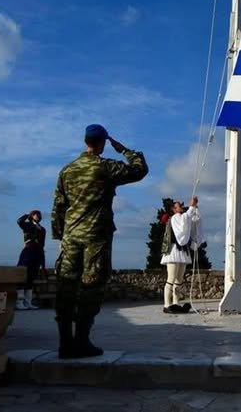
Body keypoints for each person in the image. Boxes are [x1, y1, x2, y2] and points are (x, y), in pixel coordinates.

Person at [51, 124, 148, 359]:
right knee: (91, 287)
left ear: (85, 141)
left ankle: (65, 343)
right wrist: (124, 150)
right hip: (96, 236)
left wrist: (60, 236)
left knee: (66, 288)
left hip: (71, 236)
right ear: (103, 142)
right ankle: (82, 341)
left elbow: (58, 207)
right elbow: (139, 170)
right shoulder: (104, 167)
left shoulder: (67, 170)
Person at [161, 196, 203, 314]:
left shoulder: (183, 217)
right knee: (171, 278)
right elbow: (184, 221)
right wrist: (191, 207)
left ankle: (175, 303)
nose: (182, 207)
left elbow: (193, 220)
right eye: (179, 205)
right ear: (174, 209)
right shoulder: (175, 218)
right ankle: (166, 304)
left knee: (178, 280)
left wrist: (194, 208)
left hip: (182, 251)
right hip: (173, 251)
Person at [16, 210, 46, 310]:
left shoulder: (43, 229)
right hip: (28, 251)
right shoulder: (27, 225)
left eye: (38, 214)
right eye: (34, 214)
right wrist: (26, 214)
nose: (37, 216)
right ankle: (19, 302)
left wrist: (43, 262)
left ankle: (28, 302)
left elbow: (42, 245)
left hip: (38, 253)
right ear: (32, 216)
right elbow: (19, 221)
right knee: (22, 277)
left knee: (31, 278)